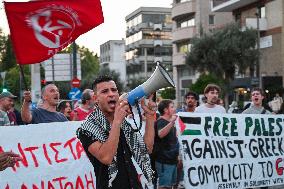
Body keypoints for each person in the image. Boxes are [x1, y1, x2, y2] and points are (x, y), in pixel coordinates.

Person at [76, 75, 157, 189]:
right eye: (105, 91)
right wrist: (117, 120)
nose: (111, 94)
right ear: (95, 98)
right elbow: (106, 157)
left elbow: (147, 148)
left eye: (114, 90)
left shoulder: (124, 124)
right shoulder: (87, 128)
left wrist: (149, 117)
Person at [153, 99, 179, 189]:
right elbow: (160, 134)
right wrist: (172, 122)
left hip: (172, 160)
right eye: (172, 107)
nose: (174, 109)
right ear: (165, 110)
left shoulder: (170, 122)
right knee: (164, 186)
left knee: (170, 185)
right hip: (164, 161)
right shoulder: (161, 121)